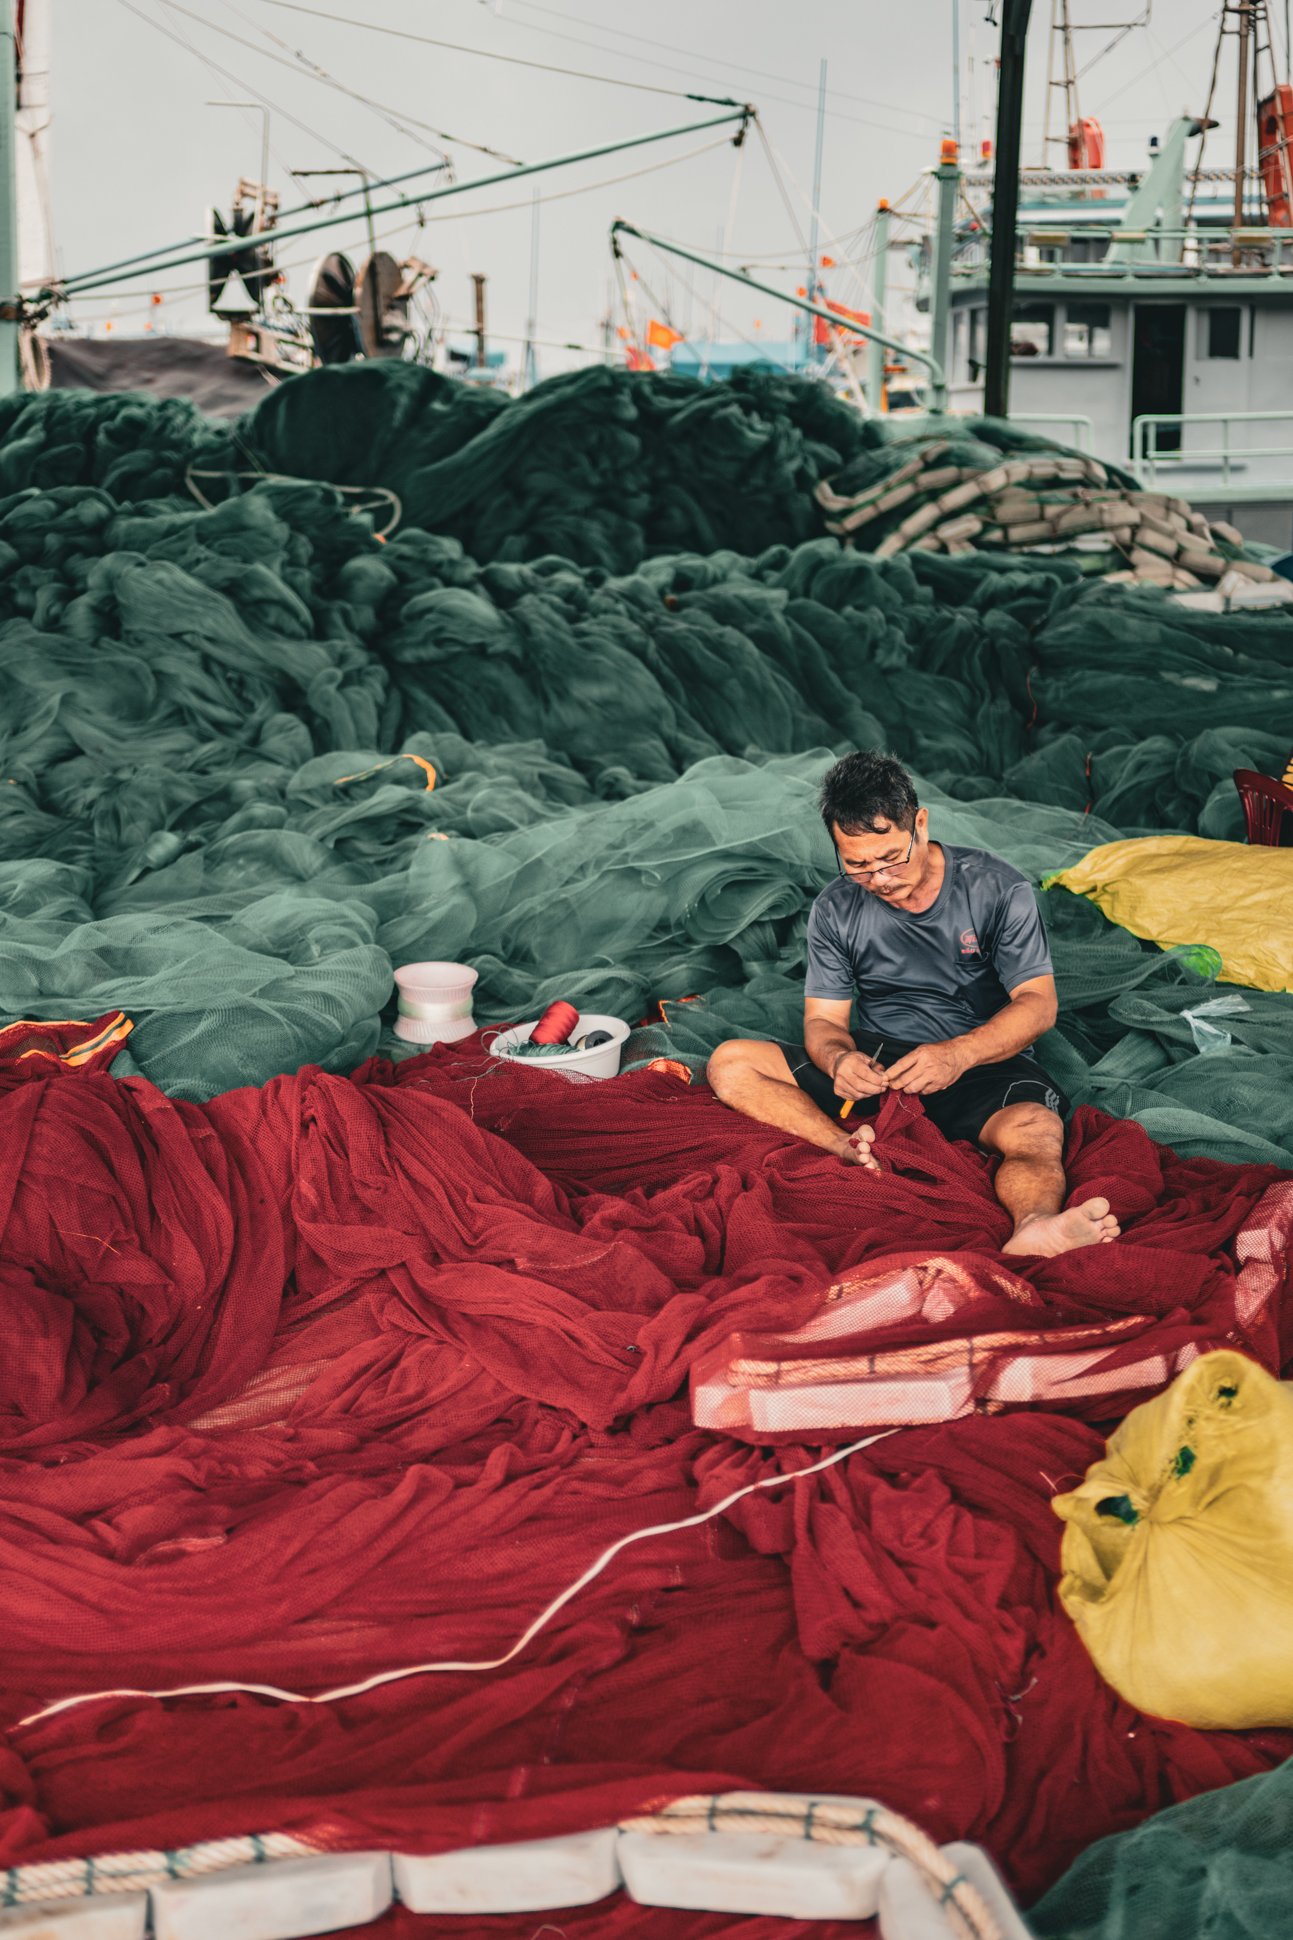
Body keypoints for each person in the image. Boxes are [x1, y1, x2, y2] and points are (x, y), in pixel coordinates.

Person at [707, 750, 1119, 1258]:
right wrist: (839, 1059)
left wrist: (957, 1055)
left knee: (1036, 1128)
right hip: (881, 1063)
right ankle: (844, 1146)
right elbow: (822, 1020)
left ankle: (1036, 1224)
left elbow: (1038, 1005)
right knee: (730, 1062)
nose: (879, 879)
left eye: (891, 858)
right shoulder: (835, 908)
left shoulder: (997, 888)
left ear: (920, 824)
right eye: (857, 865)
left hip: (980, 1061)